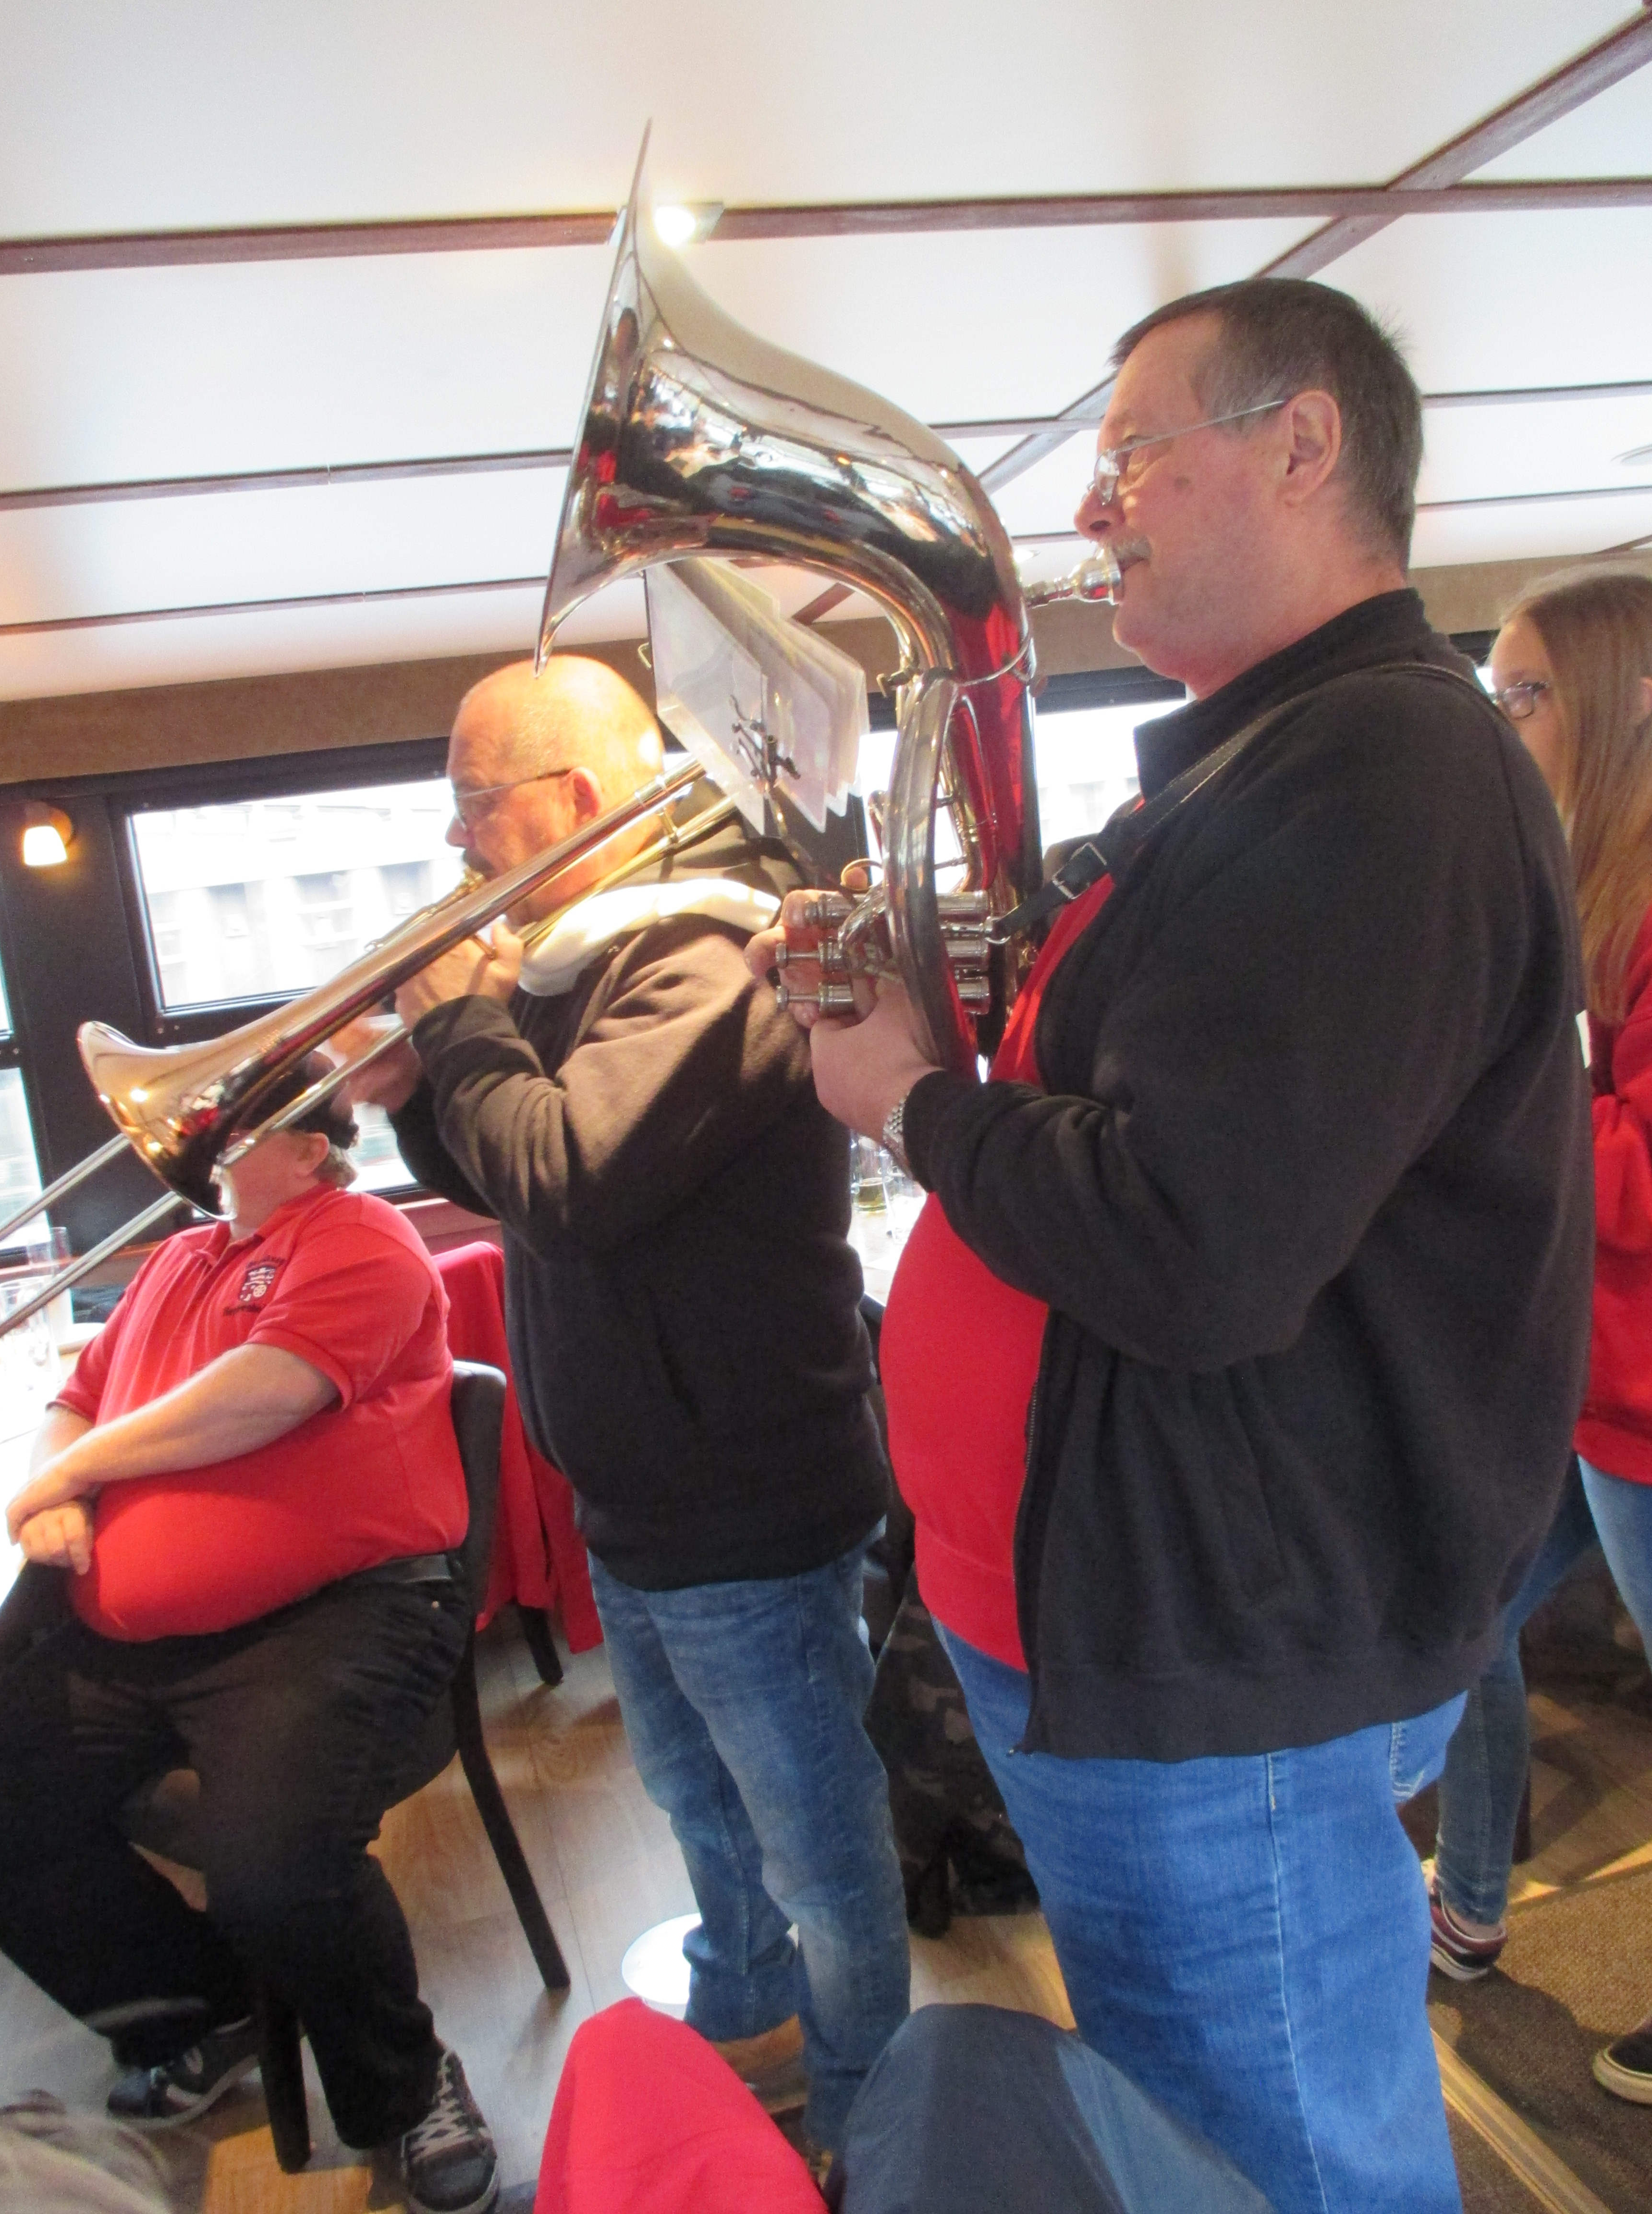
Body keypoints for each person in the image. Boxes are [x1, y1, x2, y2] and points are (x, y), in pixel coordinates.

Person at [751, 277, 1595, 2214]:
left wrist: (909, 1102)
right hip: (1147, 1621)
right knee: (1192, 2119)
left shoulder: (1377, 771)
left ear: (1303, 446)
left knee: (1273, 2149)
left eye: (1132, 455)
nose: (1090, 508)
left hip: (1229, 1648)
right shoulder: (1271, 758)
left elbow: (1196, 1245)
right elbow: (1163, 1120)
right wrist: (933, 1028)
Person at [347, 654, 909, 2161]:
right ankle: (746, 2011)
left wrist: (458, 1032)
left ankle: (870, 2127)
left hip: (742, 1501)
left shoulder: (708, 956)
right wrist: (425, 1088)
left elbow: (568, 1178)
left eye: (475, 802)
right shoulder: (587, 963)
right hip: (646, 1490)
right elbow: (517, 1180)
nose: (456, 836)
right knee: (695, 1797)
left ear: (578, 796)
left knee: (821, 1848)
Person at [0, 1065, 500, 2214]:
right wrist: (53, 1487)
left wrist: (71, 1475)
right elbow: (75, 1399)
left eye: (235, 1126)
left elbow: (268, 1390)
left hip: (336, 1617)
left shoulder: (357, 1234)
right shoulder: (178, 1258)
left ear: (313, 1149)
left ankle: (407, 2085)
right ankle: (199, 2011)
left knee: (274, 1872)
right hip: (138, 1637)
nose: (202, 1138)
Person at [1421, 569, 1652, 2100]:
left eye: (1528, 694)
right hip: (1584, 1381)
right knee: (1469, 1622)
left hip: (1638, 1397)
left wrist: (1507, 1109)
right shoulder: (1578, 882)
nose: (1500, 722)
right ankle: (1471, 1903)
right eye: (1492, 692)